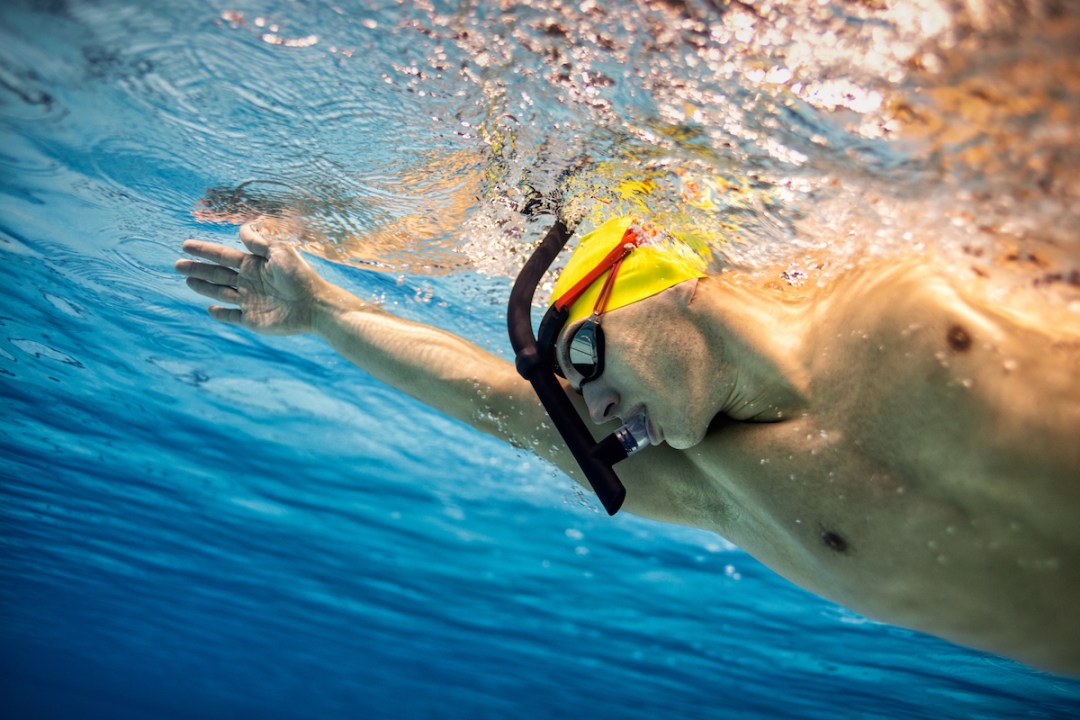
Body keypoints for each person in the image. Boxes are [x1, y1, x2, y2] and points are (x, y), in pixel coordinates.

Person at [176, 214, 1080, 676]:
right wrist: (328, 313)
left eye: (579, 353)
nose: (591, 404)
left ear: (653, 283)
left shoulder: (904, 281)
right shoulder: (722, 492)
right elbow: (491, 401)